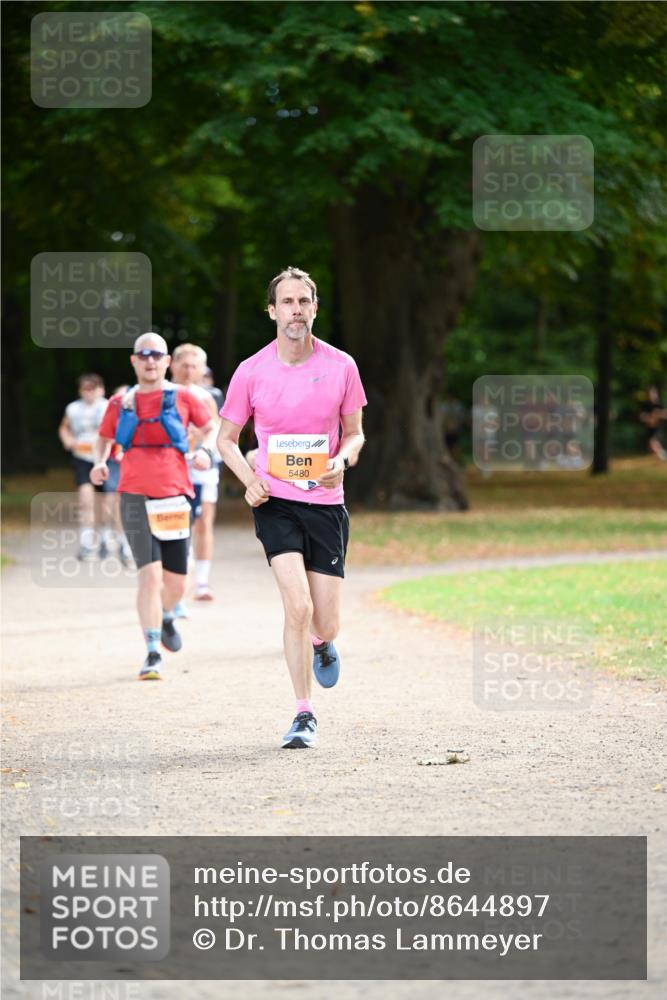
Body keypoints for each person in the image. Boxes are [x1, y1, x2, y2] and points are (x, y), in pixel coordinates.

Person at [218, 266, 367, 749]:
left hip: (325, 502)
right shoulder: (251, 370)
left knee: (324, 621)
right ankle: (304, 713)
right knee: (296, 607)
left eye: (303, 301)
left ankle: (324, 644)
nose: (295, 311)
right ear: (271, 311)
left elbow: (356, 432)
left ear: (315, 308)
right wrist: (250, 481)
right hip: (276, 502)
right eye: (287, 302)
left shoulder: (342, 365)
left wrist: (342, 459)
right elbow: (225, 440)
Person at [90, 333, 217, 680]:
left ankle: (165, 615)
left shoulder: (185, 396)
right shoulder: (120, 402)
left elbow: (210, 427)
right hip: (133, 496)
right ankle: (151, 652)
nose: (149, 360)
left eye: (156, 355)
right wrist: (100, 462)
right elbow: (103, 438)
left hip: (175, 495)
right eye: (143, 354)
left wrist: (204, 451)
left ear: (166, 362)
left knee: (177, 583)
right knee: (149, 575)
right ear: (134, 360)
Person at [170, 343, 222, 602]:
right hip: (170, 469)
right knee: (176, 524)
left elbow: (216, 430)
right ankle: (178, 581)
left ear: (202, 369)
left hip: (201, 469)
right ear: (172, 365)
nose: (189, 371)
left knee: (202, 523)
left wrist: (200, 441)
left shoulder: (206, 397)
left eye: (194, 366)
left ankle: (201, 582)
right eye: (184, 365)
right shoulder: (162, 393)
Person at [58, 373, 112, 560]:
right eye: (85, 388)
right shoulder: (73, 408)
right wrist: (68, 440)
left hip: (103, 458)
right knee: (85, 499)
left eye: (93, 388)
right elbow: (64, 427)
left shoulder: (108, 406)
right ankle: (87, 543)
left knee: (103, 503)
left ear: (101, 389)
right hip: (82, 457)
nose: (88, 392)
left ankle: (104, 538)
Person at [639, 385, 667, 460]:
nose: (651, 395)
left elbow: (665, 414)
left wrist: (658, 414)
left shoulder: (659, 404)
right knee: (651, 446)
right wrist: (649, 418)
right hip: (650, 428)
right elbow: (642, 417)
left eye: (652, 393)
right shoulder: (646, 405)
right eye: (649, 394)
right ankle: (662, 456)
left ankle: (664, 457)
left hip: (658, 428)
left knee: (653, 442)